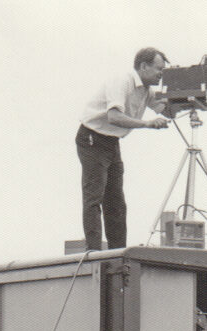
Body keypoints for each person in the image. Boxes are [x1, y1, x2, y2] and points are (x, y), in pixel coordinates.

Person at [76, 47, 170, 251]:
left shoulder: (147, 91)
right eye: (158, 69)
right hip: (92, 137)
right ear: (143, 66)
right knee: (95, 196)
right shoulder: (122, 82)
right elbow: (114, 117)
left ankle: (118, 252)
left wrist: (189, 97)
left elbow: (167, 110)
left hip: (111, 142)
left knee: (116, 201)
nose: (161, 74)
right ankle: (93, 252)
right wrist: (147, 123)